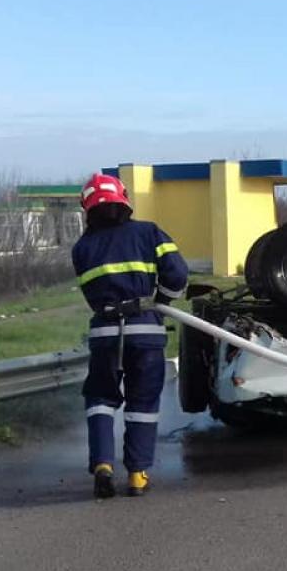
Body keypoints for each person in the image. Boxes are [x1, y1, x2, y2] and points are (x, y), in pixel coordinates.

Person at [72, 173, 188, 499]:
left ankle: (103, 466)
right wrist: (162, 301)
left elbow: (92, 295)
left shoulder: (82, 248)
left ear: (88, 208)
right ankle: (137, 475)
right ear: (123, 200)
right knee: (142, 402)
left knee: (100, 398)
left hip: (106, 334)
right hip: (145, 331)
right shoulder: (149, 232)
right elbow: (177, 275)